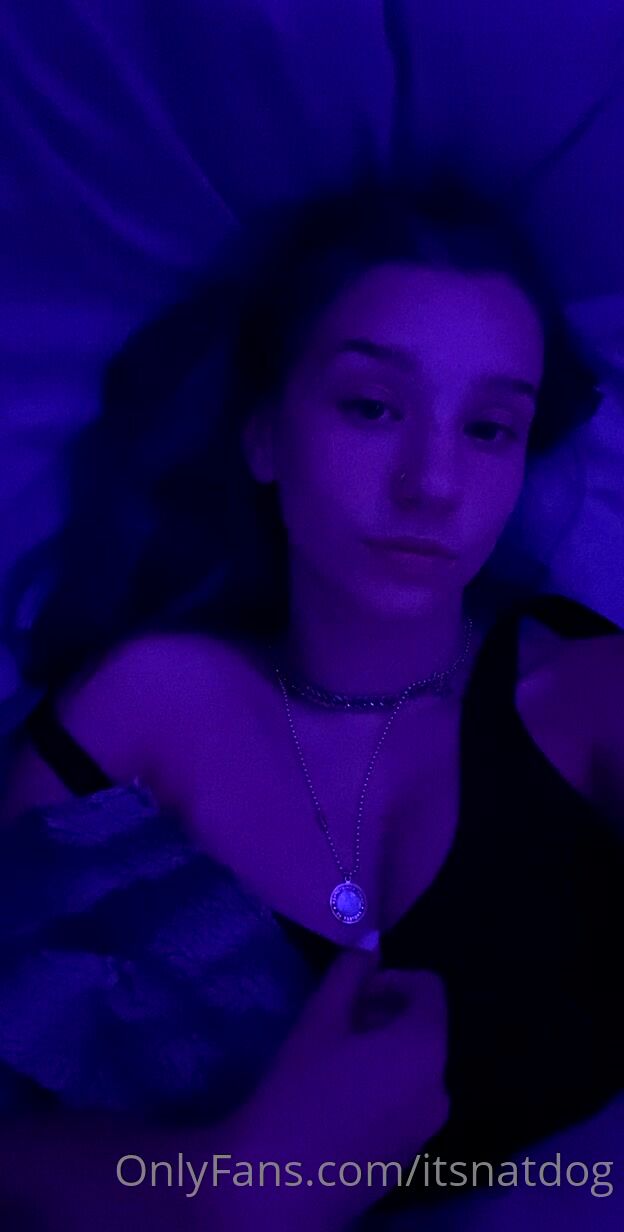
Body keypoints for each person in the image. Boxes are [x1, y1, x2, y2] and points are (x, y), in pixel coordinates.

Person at [0, 172, 622, 1231]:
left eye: (490, 429)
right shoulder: (140, 710)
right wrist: (236, 1182)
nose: (433, 483)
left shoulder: (586, 698)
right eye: (373, 407)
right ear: (263, 435)